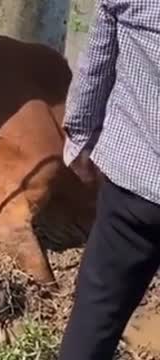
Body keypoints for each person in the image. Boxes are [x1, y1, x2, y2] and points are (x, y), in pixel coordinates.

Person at [59, 0, 160, 359]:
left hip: (133, 188)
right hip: (131, 187)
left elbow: (96, 64)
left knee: (95, 317)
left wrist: (80, 141)